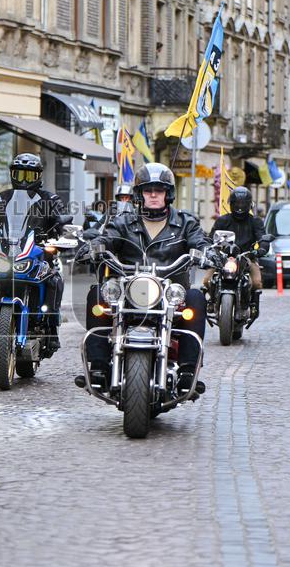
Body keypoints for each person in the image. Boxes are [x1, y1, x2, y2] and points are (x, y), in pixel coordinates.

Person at [85, 163, 211, 396]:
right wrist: (95, 246)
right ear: (139, 194)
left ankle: (187, 371)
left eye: (159, 190)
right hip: (129, 291)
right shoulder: (123, 222)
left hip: (171, 294)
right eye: (148, 190)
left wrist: (208, 253)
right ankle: (99, 365)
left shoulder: (185, 223)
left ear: (168, 194)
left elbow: (200, 241)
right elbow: (108, 237)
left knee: (195, 297)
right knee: (97, 293)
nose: (153, 195)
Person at [0, 153, 68, 351]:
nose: (24, 180)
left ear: (38, 177)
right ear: (12, 174)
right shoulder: (1, 198)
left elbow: (62, 218)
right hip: (6, 253)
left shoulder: (49, 199)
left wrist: (61, 226)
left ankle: (51, 330)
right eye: (20, 174)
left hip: (37, 253)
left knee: (54, 280)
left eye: (29, 176)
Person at [203, 186, 269, 319]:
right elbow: (211, 238)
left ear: (249, 205)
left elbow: (262, 237)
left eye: (243, 203)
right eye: (237, 203)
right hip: (223, 258)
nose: (240, 206)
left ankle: (252, 306)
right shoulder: (223, 220)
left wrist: (261, 249)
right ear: (231, 204)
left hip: (247, 257)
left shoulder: (255, 221)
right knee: (206, 281)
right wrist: (209, 248)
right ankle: (211, 301)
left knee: (256, 282)